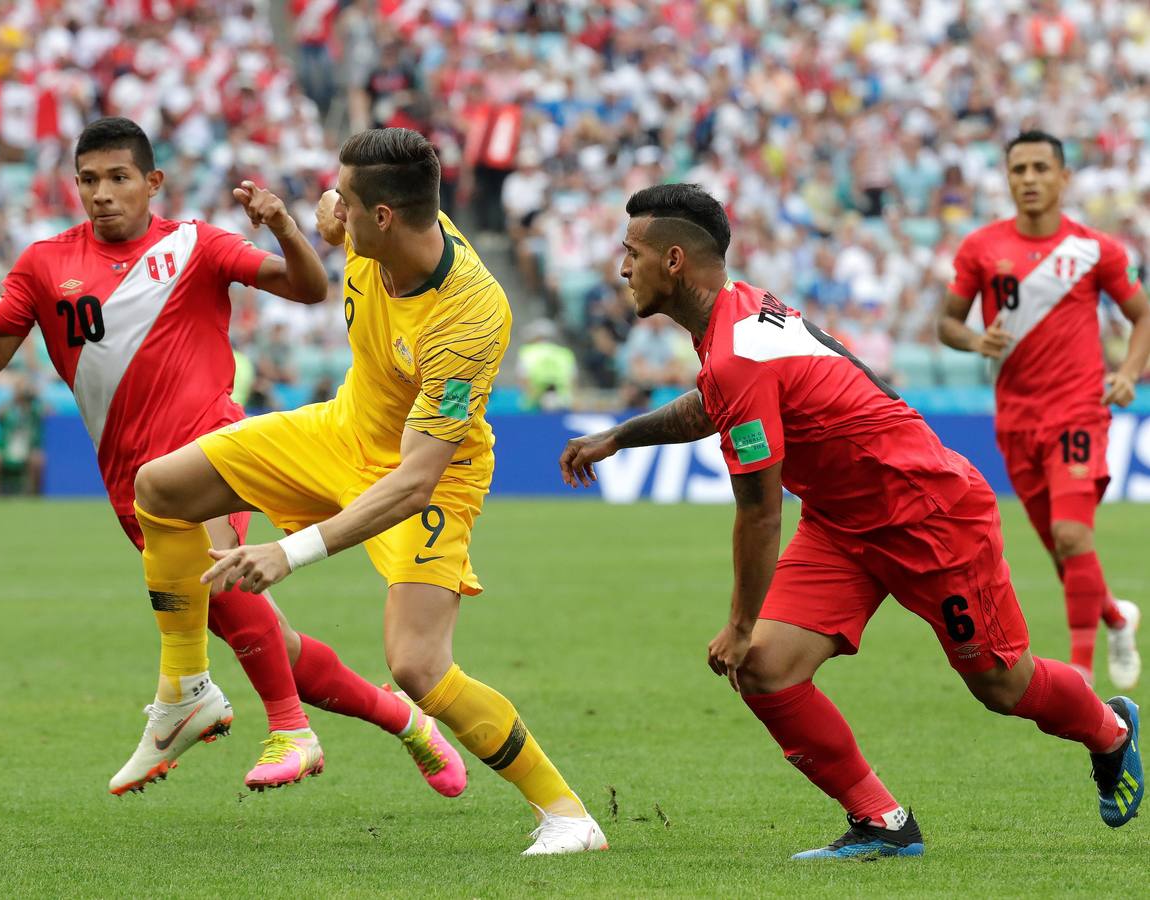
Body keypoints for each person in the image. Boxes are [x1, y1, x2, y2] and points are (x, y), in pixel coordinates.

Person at [560, 183, 1142, 858]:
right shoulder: (735, 321)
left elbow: (758, 512)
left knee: (1002, 685)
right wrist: (621, 436)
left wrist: (739, 621)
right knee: (767, 668)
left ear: (674, 260)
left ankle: (1110, 732)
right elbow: (711, 402)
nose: (621, 268)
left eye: (630, 253)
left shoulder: (738, 350)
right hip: (843, 523)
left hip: (929, 517)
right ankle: (883, 823)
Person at [0, 117, 466, 799]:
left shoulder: (196, 246)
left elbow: (306, 288)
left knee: (226, 583)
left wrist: (282, 224)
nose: (102, 193)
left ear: (153, 183)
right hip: (131, 484)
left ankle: (279, 727)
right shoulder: (43, 264)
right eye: (88, 180)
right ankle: (406, 721)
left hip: (211, 453)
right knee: (271, 639)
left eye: (119, 177)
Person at [132, 127, 608, 856]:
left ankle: (568, 815)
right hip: (339, 429)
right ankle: (186, 689)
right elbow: (329, 212)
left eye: (348, 202)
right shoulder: (358, 221)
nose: (336, 209)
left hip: (432, 473)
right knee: (160, 488)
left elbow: (415, 479)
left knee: (417, 666)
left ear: (383, 217)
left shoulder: (471, 316)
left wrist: (290, 553)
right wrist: (292, 223)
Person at [939, 130, 1148, 690]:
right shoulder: (981, 247)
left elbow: (1141, 315)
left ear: (1063, 177)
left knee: (1072, 535)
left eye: (1039, 168)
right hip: (1015, 419)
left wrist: (1127, 373)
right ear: (1007, 178)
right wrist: (972, 341)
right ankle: (1115, 617)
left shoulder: (1095, 249)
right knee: (1063, 548)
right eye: (1018, 170)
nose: (1028, 179)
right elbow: (948, 323)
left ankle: (1080, 673)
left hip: (1079, 410)